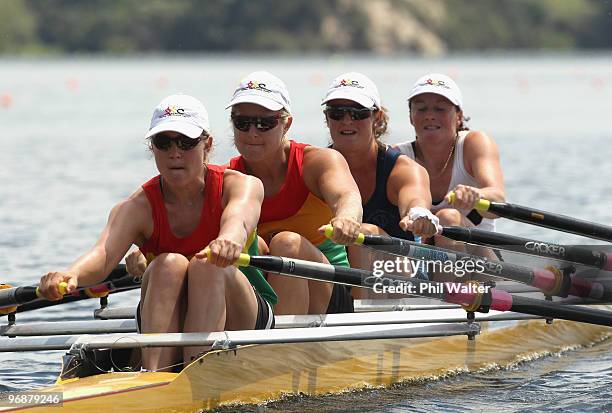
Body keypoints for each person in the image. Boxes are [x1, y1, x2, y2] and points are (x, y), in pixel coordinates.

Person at [38, 94, 276, 372]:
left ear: (207, 145)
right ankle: (155, 378)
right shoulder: (137, 206)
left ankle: (198, 375)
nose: (175, 153)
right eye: (164, 143)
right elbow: (103, 255)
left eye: (186, 143)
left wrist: (229, 240)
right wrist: (69, 275)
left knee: (206, 266)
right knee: (168, 264)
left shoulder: (241, 185)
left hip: (245, 319)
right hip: (174, 312)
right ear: (153, 147)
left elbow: (239, 219)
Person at [226, 71, 363, 315]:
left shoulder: (316, 162)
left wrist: (347, 218)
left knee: (287, 242)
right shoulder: (229, 177)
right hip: (264, 289)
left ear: (286, 123)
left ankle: (275, 345)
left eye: (265, 123)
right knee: (252, 244)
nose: (252, 133)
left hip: (332, 291)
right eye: (242, 122)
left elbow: (346, 196)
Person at [322, 72, 438, 293]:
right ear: (327, 119)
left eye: (358, 113)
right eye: (337, 113)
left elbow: (415, 198)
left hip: (404, 280)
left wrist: (418, 215)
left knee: (364, 234)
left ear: (377, 116)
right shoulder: (314, 168)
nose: (347, 120)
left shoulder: (402, 169)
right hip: (338, 280)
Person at [394, 73, 505, 251]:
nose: (430, 116)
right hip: (424, 260)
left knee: (447, 218)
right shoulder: (399, 156)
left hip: (482, 263)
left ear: (459, 116)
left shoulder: (474, 143)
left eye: (440, 109)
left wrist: (477, 196)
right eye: (421, 109)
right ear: (411, 117)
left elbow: (498, 202)